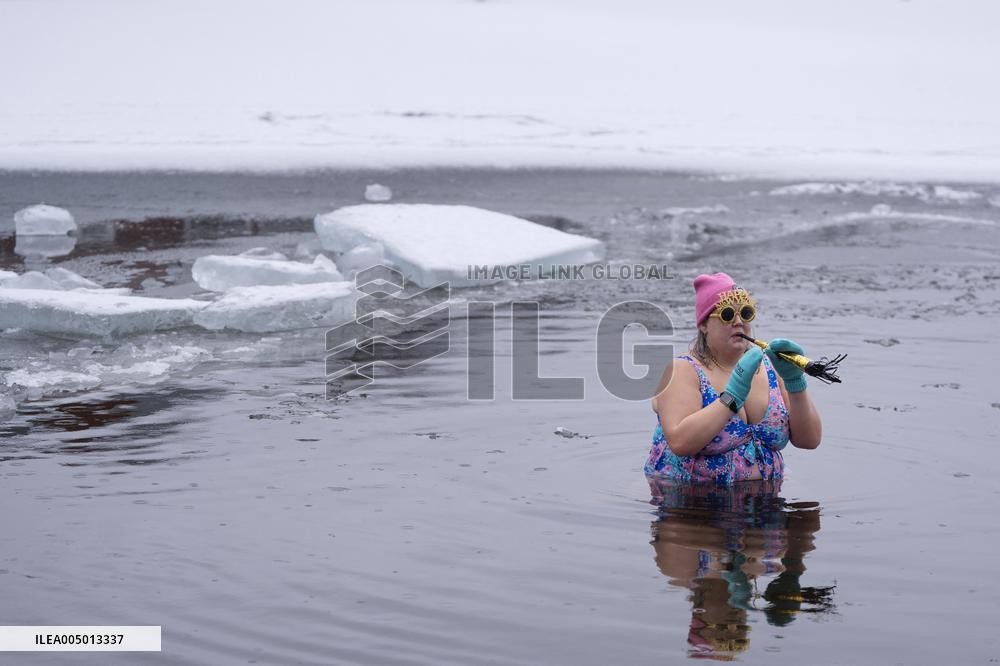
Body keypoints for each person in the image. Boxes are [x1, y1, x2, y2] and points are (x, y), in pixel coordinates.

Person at [644, 272, 822, 485]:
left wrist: (795, 383)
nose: (738, 322)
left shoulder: (770, 368)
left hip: (765, 503)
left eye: (745, 313)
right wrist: (731, 398)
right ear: (703, 325)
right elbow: (680, 442)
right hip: (687, 501)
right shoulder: (683, 370)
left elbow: (809, 441)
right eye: (727, 314)